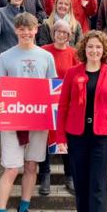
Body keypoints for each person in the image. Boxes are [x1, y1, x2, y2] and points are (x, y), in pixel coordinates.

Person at [0, 12, 57, 212]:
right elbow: (0, 89)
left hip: (38, 119)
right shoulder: (5, 56)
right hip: (13, 120)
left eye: (30, 29)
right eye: (22, 29)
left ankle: (23, 211)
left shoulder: (46, 56)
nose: (26, 32)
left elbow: (52, 88)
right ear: (16, 30)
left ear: (36, 29)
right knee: (11, 168)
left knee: (31, 166)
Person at [56, 30, 107, 212]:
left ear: (104, 50)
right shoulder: (72, 73)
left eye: (98, 47)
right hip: (76, 137)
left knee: (98, 186)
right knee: (81, 185)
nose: (94, 50)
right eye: (90, 46)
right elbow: (63, 107)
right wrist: (60, 138)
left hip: (101, 138)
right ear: (84, 48)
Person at [38, 20, 80, 195]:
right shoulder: (43, 51)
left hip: (66, 103)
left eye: (65, 32)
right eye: (58, 32)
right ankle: (45, 175)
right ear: (53, 33)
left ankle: (69, 175)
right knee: (45, 139)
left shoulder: (74, 53)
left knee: (65, 138)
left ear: (69, 36)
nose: (61, 35)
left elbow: (79, 76)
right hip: (46, 101)